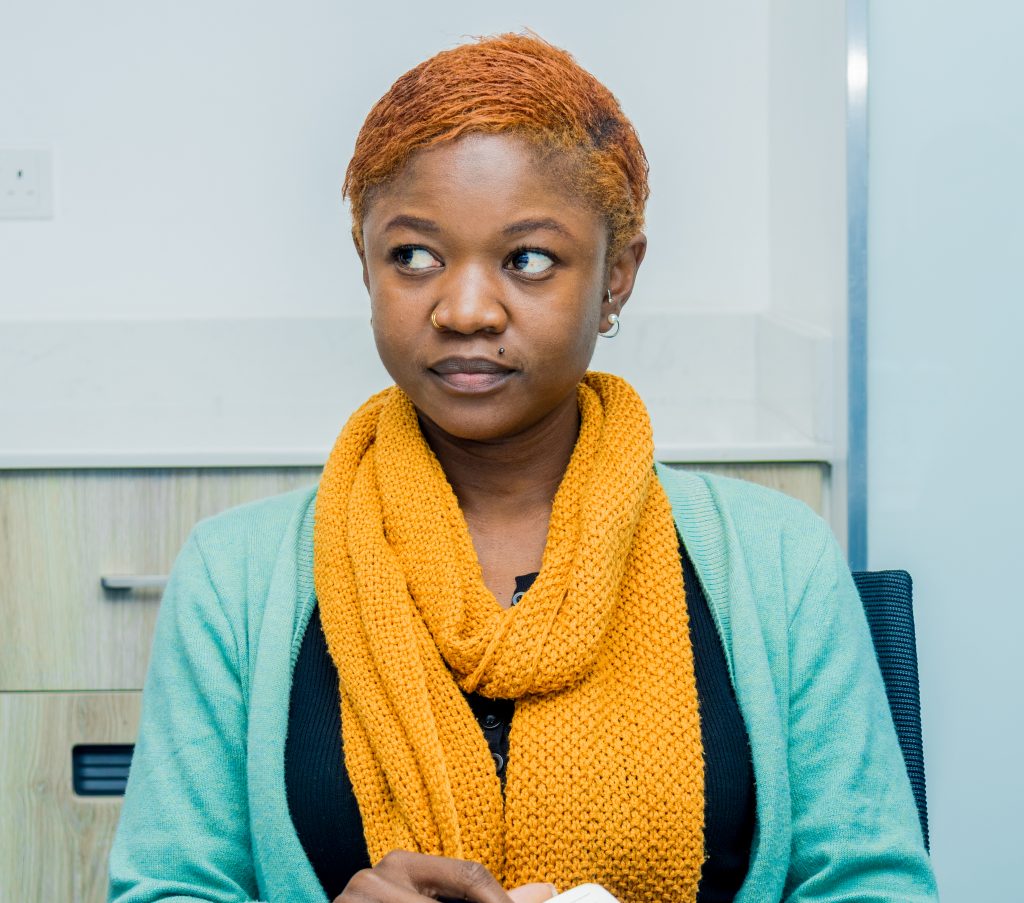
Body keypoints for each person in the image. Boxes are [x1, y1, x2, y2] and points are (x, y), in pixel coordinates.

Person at [108, 32, 938, 903]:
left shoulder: (779, 563)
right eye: (414, 257)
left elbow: (876, 888)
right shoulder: (234, 578)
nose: (465, 309)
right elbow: (166, 888)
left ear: (617, 274)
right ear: (364, 263)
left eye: (528, 259)